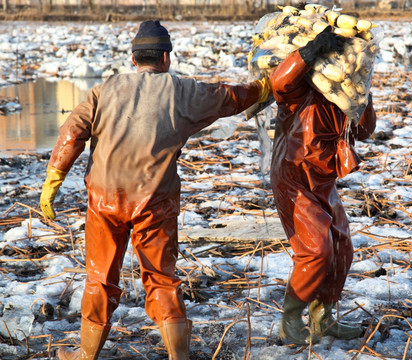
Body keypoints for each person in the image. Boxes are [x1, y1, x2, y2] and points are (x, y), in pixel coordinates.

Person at [40, 20, 271, 360]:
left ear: (134, 59)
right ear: (165, 59)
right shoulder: (181, 91)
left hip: (105, 199)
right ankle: (179, 357)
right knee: (162, 279)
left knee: (100, 277)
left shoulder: (104, 90)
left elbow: (72, 133)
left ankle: (85, 357)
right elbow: (230, 98)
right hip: (155, 201)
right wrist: (265, 87)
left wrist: (52, 182)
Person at [268, 27, 377, 345]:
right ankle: (290, 319)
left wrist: (363, 91)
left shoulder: (343, 97)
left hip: (324, 180)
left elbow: (365, 129)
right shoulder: (299, 92)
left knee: (342, 249)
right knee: (316, 250)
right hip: (294, 179)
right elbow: (279, 82)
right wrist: (309, 50)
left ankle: (323, 318)